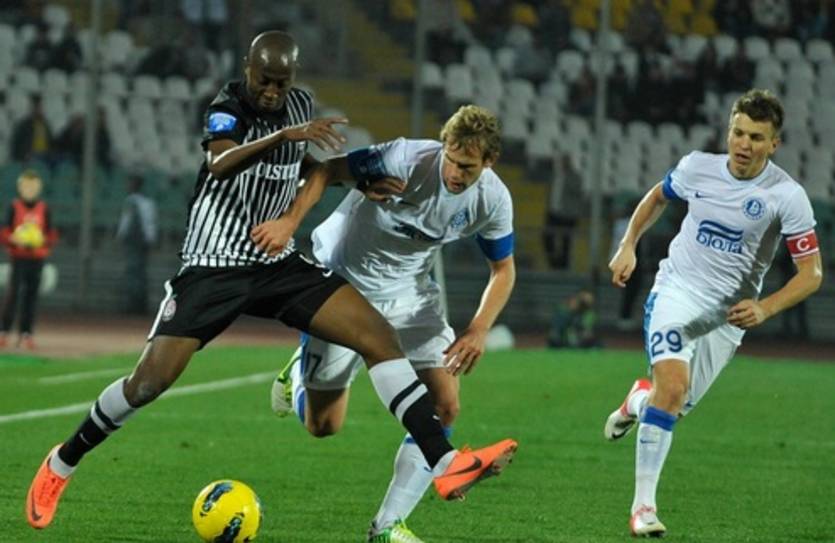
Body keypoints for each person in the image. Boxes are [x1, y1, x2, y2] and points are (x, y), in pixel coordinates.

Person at [25, 31, 516, 532]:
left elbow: (309, 167)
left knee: (378, 337)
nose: (272, 91)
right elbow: (219, 162)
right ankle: (61, 462)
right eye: (264, 80)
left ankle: (444, 461)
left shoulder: (298, 105)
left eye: (282, 82)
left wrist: (356, 181)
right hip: (214, 264)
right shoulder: (228, 107)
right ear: (248, 68)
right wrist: (284, 136)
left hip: (276, 260)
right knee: (147, 384)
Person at [268, 104, 516, 543]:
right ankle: (299, 375)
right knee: (323, 426)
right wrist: (295, 219)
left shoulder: (493, 200)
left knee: (446, 402)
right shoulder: (404, 159)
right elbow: (326, 170)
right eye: (452, 160)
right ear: (443, 146)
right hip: (344, 281)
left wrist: (479, 328)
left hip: (410, 293)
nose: (455, 173)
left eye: (467, 167)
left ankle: (386, 526)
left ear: (489, 162)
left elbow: (503, 269)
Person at [604, 89, 823, 537]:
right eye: (738, 133)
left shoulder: (787, 195)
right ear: (728, 132)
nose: (743, 144)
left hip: (728, 316)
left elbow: (811, 274)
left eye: (756, 137)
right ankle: (643, 508)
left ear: (774, 143)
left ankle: (636, 401)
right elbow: (657, 197)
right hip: (677, 292)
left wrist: (765, 307)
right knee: (672, 389)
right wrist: (628, 245)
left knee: (671, 405)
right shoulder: (696, 167)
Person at [0, 169, 58, 350]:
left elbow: (51, 234)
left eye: (33, 187)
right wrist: (14, 239)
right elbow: (4, 231)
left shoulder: (44, 209)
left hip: (37, 259)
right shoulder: (14, 207)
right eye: (26, 186)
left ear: (39, 188)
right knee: (13, 295)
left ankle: (26, 334)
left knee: (31, 297)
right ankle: (4, 332)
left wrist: (43, 241)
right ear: (20, 188)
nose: (30, 190)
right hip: (18, 258)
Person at [115, 175, 158, 315]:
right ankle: (140, 304)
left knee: (133, 272)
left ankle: (133, 305)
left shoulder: (131, 202)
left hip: (134, 241)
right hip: (144, 242)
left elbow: (126, 222)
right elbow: (151, 224)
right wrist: (151, 239)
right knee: (141, 272)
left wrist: (120, 237)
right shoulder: (148, 202)